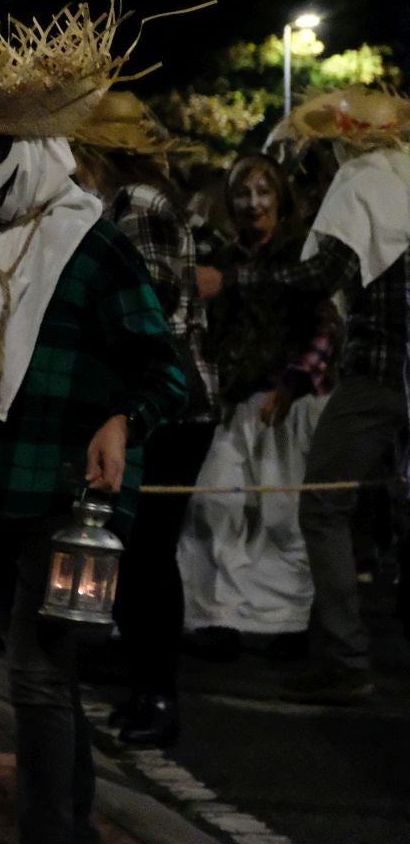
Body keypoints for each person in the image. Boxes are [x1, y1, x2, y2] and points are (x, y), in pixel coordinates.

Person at [0, 3, 187, 844]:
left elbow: (170, 372)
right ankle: (73, 826)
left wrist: (124, 420)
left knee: (36, 676)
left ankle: (48, 833)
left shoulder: (93, 248)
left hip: (69, 494)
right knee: (46, 680)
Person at [198, 87, 410, 705]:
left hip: (380, 369)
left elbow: (324, 275)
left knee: (321, 506)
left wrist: (232, 280)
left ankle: (345, 658)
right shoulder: (402, 177)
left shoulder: (365, 182)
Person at [71, 92, 218, 748]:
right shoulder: (124, 202)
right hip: (158, 400)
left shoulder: (139, 206)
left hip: (170, 405)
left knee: (149, 553)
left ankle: (159, 694)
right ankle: (144, 688)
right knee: (134, 552)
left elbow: (148, 307)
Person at [179, 154, 335, 656]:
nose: (253, 203)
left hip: (282, 403)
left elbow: (325, 325)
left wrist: (291, 384)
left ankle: (284, 622)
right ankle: (216, 615)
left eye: (263, 191)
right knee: (215, 504)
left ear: (281, 197)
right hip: (230, 403)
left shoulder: (297, 255)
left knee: (280, 515)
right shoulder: (220, 258)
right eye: (243, 193)